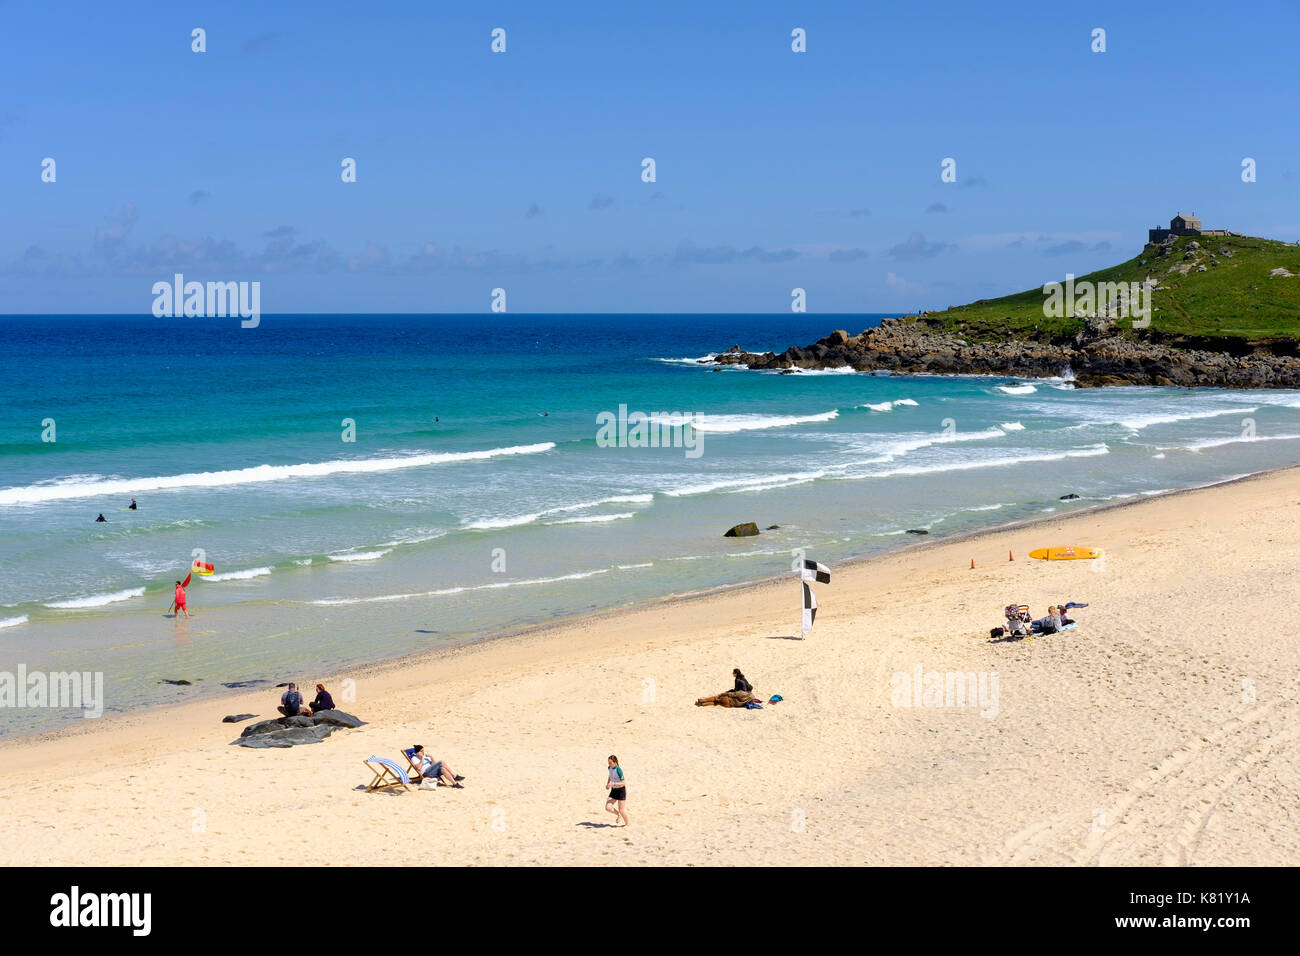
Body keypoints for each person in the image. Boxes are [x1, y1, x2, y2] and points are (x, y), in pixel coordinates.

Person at [605, 755, 628, 826]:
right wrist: (608, 783)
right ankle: (618, 814)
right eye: (608, 762)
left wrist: (613, 783)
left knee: (622, 810)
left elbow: (624, 783)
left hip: (621, 791)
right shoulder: (609, 768)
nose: (609, 764)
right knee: (608, 807)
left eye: (610, 763)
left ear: (615, 762)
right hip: (614, 791)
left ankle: (627, 824)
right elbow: (610, 775)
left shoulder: (618, 770)